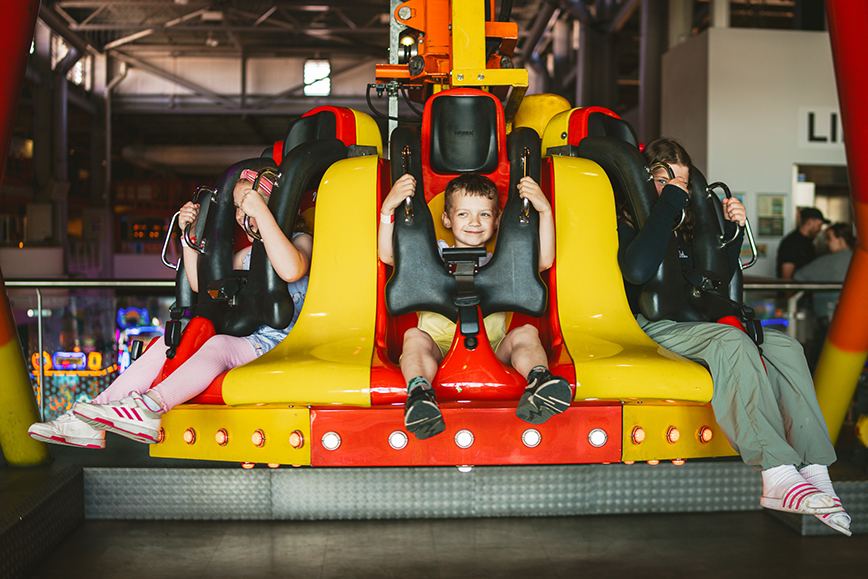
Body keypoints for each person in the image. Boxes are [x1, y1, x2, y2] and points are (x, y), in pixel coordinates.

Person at [617, 137, 849, 535]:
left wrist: (733, 230)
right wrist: (669, 202)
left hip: (699, 319)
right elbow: (638, 270)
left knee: (786, 347)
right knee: (732, 342)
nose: (674, 187)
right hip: (654, 324)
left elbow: (717, 280)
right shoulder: (628, 219)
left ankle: (815, 468)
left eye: (682, 182)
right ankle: (776, 472)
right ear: (645, 179)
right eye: (663, 178)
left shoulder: (689, 225)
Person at [28, 170, 312, 448]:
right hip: (255, 336)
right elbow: (203, 282)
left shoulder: (301, 240)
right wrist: (188, 237)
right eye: (240, 207)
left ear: (278, 203)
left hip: (284, 341)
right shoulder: (251, 253)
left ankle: (150, 407)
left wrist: (261, 214)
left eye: (251, 200)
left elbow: (290, 269)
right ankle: (90, 418)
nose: (242, 213)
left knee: (218, 345)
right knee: (171, 341)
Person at [378, 173, 571, 440]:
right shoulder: (432, 253)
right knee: (413, 337)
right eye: (463, 215)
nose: (474, 223)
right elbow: (389, 255)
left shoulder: (502, 259)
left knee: (526, 332)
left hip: (492, 348)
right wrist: (388, 208)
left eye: (484, 215)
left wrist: (545, 211)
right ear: (446, 219)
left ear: (497, 221)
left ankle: (540, 381)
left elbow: (544, 261)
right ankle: (420, 394)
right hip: (437, 348)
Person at [794, 222, 856, 369]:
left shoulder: (827, 261)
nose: (826, 242)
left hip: (828, 321)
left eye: (829, 238)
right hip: (856, 322)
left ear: (840, 240)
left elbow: (798, 276)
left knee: (821, 364)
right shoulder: (858, 259)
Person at [776, 206, 830, 279]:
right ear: (810, 222)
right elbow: (786, 278)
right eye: (819, 225)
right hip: (798, 290)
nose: (820, 230)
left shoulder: (809, 243)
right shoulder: (791, 243)